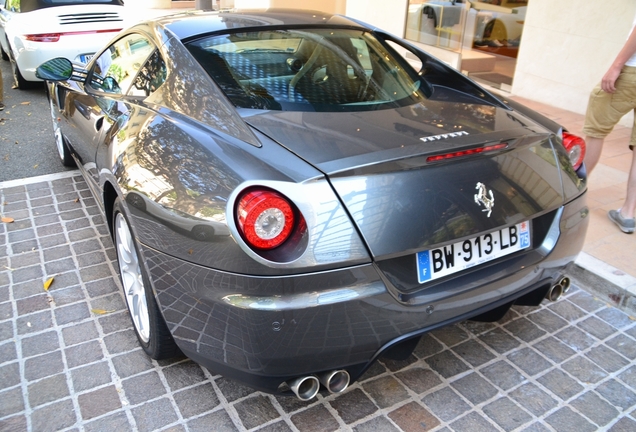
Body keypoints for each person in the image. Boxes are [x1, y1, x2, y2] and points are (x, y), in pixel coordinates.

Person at [583, 18, 636, 234]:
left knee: (595, 131)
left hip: (632, 73)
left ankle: (569, 196)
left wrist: (616, 67)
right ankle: (628, 213)